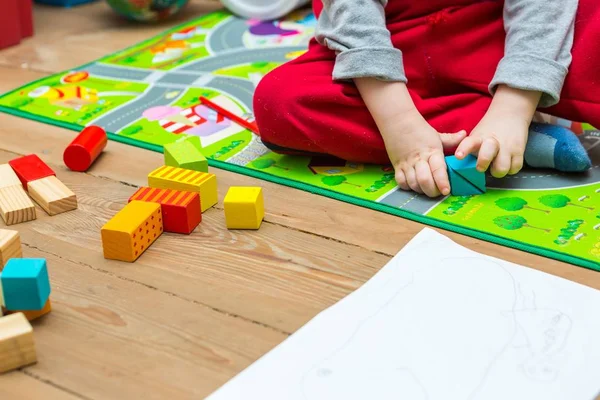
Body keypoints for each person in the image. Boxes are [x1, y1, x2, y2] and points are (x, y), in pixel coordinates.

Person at [254, 0, 599, 198]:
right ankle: (503, 135)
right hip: (387, 50)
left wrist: (514, 105)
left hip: (501, 38)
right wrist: (400, 125)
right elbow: (352, 18)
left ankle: (507, 126)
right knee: (281, 101)